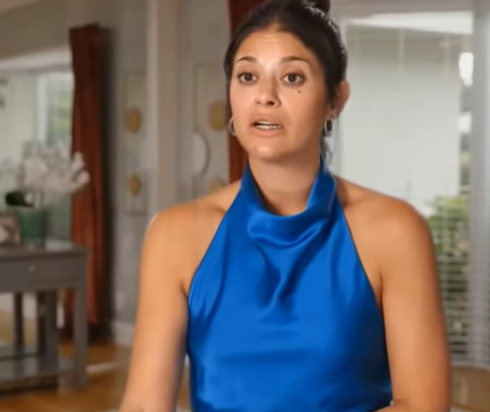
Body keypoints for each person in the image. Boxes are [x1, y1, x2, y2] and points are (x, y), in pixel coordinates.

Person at [118, 0, 451, 411]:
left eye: (292, 77)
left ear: (335, 100)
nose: (265, 96)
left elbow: (423, 405)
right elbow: (144, 405)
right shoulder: (174, 234)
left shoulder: (395, 231)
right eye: (247, 76)